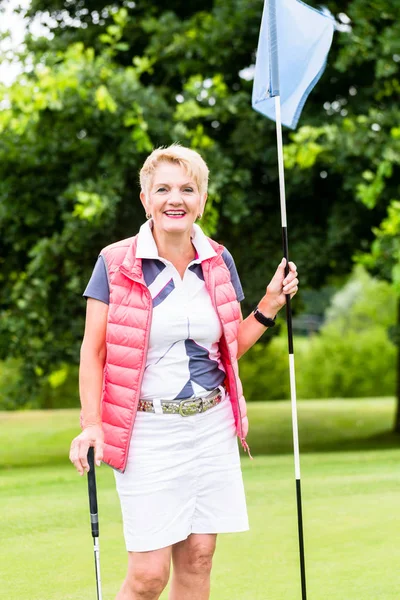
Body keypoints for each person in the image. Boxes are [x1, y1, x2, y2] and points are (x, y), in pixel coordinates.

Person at [69, 144, 298, 600]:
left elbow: (227, 349)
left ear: (202, 201)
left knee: (198, 560)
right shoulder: (116, 262)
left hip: (210, 424)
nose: (176, 199)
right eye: (164, 189)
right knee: (149, 576)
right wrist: (91, 424)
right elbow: (93, 352)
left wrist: (269, 305)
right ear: (145, 199)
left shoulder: (217, 260)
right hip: (145, 430)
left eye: (188, 189)